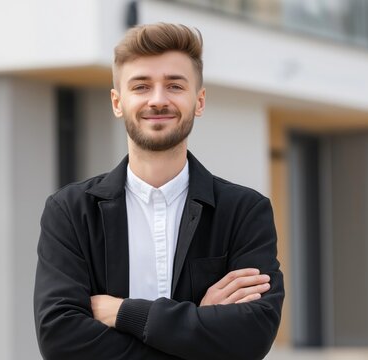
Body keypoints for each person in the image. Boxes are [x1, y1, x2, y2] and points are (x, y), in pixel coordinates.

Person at [34, 23, 284, 360]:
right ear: (117, 101)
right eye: (141, 86)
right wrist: (198, 319)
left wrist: (123, 313)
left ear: (199, 101)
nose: (158, 99)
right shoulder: (70, 210)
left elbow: (252, 337)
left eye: (174, 85)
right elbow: (60, 340)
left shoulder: (243, 211)